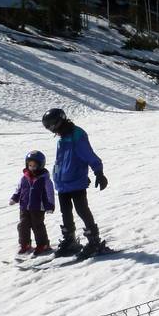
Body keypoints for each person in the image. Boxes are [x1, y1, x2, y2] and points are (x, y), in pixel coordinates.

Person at [42, 108, 109, 258]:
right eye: (48, 128)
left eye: (51, 126)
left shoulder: (77, 135)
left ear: (59, 121)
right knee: (65, 212)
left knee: (82, 210)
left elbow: (88, 155)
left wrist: (99, 172)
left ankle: (94, 242)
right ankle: (70, 240)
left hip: (76, 182)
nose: (51, 130)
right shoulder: (62, 138)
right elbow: (60, 161)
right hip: (62, 183)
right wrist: (56, 176)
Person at [9, 150, 55, 256]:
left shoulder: (45, 180)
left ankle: (43, 244)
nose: (32, 168)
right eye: (30, 165)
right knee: (23, 225)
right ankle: (25, 244)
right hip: (24, 207)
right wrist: (14, 198)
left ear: (40, 166)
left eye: (34, 166)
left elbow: (49, 194)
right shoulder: (24, 178)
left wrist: (50, 206)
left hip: (38, 208)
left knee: (37, 226)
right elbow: (19, 190)